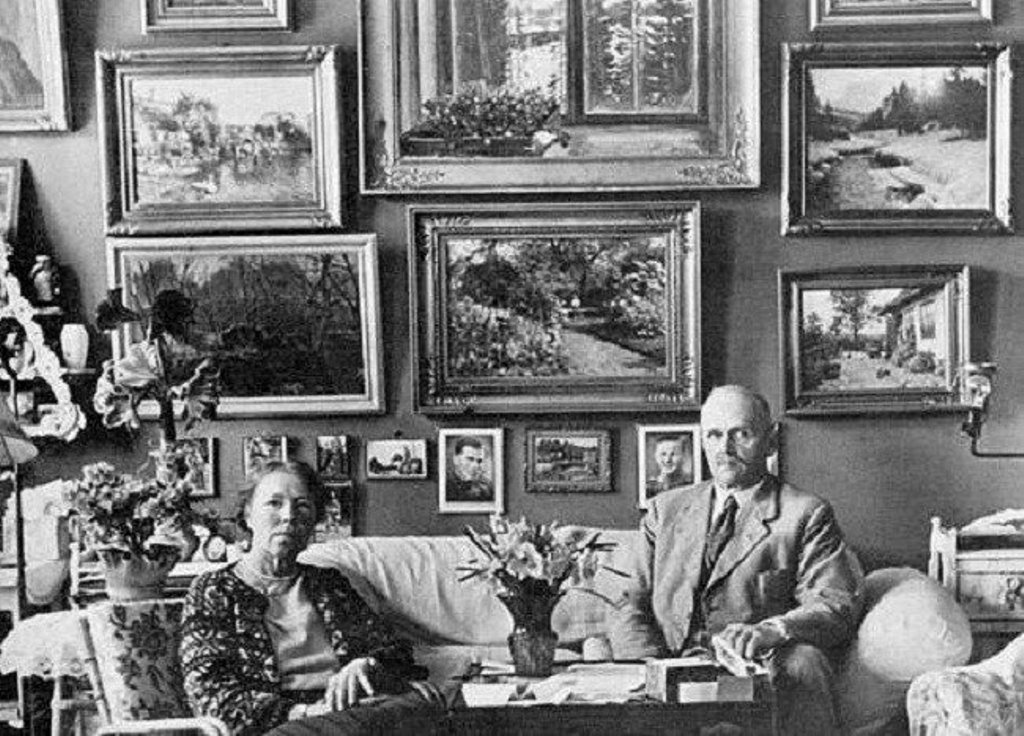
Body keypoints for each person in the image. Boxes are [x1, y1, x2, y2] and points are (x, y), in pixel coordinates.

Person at [609, 385, 863, 736]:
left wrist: (772, 630)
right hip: (670, 664)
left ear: (770, 441)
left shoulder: (805, 513)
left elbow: (833, 605)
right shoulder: (664, 510)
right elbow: (628, 600)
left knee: (803, 663)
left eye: (740, 434)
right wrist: (650, 667)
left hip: (754, 668)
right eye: (714, 435)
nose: (724, 449)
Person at [181, 461, 448, 735]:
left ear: (313, 521)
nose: (289, 516)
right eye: (274, 503)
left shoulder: (328, 583)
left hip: (351, 713)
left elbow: (394, 653)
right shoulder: (213, 590)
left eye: (302, 506)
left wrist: (367, 664)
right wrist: (305, 713)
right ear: (248, 515)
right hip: (281, 725)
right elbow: (209, 693)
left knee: (430, 701)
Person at [445, 435, 493, 501]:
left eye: (479, 461)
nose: (475, 465)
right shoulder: (444, 485)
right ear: (456, 459)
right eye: (470, 459)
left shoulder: (486, 489)